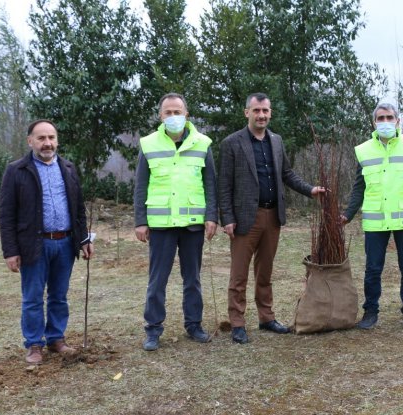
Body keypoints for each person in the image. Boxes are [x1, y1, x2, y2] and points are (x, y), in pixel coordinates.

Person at [218, 92, 325, 344]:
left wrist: (310, 189)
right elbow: (224, 185)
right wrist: (227, 218)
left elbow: (287, 174)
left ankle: (266, 318)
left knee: (265, 272)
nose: (261, 115)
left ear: (270, 113)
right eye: (256, 110)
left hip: (272, 216)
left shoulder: (276, 141)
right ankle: (237, 323)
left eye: (265, 111)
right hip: (245, 218)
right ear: (247, 113)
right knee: (239, 275)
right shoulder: (231, 143)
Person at [0, 119, 94, 364]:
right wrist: (10, 251)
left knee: (59, 296)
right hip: (34, 245)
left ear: (57, 140)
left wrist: (84, 239)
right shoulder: (17, 171)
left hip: (64, 243)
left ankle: (56, 339)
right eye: (41, 138)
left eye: (51, 137)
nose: (47, 143)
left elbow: (78, 209)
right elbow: (7, 214)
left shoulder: (69, 168)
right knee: (32, 297)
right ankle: (34, 344)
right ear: (30, 141)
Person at [134, 93, 218, 351]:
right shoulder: (148, 144)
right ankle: (153, 329)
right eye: (168, 113)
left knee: (192, 278)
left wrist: (211, 216)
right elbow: (141, 185)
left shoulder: (202, 143)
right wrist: (140, 220)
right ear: (161, 116)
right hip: (161, 225)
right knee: (157, 280)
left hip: (193, 223)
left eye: (177, 112)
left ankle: (194, 325)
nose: (173, 117)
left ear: (187, 114)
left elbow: (210, 183)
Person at [341, 102, 403, 331]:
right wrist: (347, 214)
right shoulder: (363, 150)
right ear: (374, 122)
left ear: (398, 120)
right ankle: (370, 311)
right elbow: (359, 187)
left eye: (389, 117)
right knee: (372, 269)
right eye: (380, 118)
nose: (385, 122)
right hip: (375, 220)